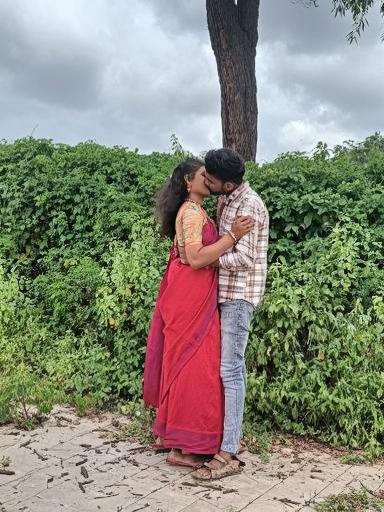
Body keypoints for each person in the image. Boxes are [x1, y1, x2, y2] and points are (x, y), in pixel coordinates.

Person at [143, 158, 254, 468]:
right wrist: (232, 237)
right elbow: (194, 258)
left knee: (190, 366)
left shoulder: (199, 210)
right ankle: (186, 447)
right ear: (188, 183)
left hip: (194, 293)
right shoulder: (191, 213)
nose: (210, 179)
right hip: (190, 294)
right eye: (203, 175)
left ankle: (181, 443)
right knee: (194, 367)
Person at [193, 148, 269, 480]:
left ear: (225, 184)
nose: (206, 180)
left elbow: (245, 258)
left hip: (239, 297)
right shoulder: (228, 199)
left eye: (210, 177)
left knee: (231, 369)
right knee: (222, 369)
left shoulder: (249, 204)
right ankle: (222, 441)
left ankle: (229, 452)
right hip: (224, 293)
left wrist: (207, 259)